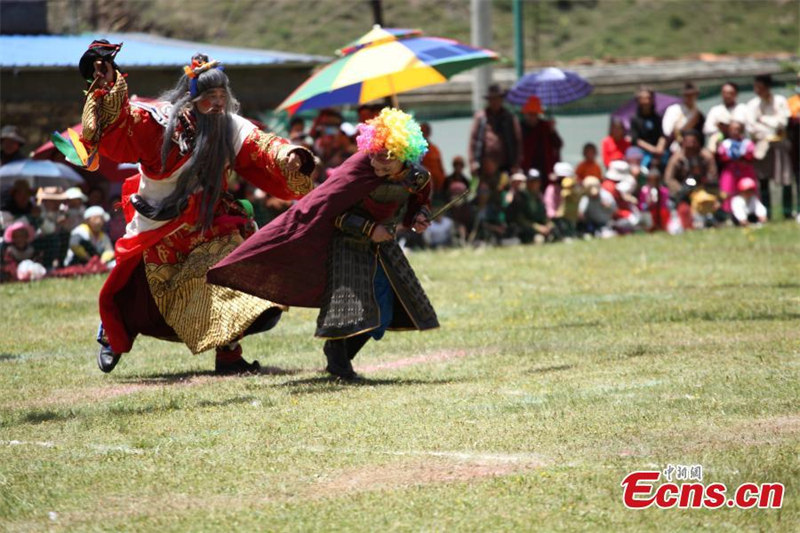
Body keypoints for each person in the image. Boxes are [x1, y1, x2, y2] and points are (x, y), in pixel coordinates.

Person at [81, 46, 316, 374]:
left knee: (236, 276)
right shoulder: (163, 123)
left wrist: (290, 156)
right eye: (209, 96)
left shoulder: (230, 126)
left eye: (222, 95)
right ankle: (113, 331)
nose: (218, 102)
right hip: (161, 224)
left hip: (210, 222)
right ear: (192, 99)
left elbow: (261, 146)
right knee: (134, 290)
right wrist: (109, 86)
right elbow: (125, 126)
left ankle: (229, 356)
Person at [208, 108, 438, 381]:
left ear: (405, 155)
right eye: (375, 153)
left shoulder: (417, 176)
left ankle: (339, 355)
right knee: (349, 311)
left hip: (383, 248)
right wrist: (368, 228)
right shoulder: (359, 166)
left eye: (387, 156)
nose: (378, 162)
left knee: (384, 312)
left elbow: (418, 202)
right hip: (346, 245)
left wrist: (420, 216)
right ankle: (340, 365)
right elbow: (328, 210)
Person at [746, 73, 793, 219]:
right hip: (761, 145)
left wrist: (763, 120)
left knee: (785, 178)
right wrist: (770, 126)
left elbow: (782, 122)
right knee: (763, 179)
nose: (757, 90)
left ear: (767, 87)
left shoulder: (779, 101)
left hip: (779, 144)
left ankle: (787, 212)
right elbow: (751, 127)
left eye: (760, 87)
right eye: (755, 87)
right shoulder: (752, 104)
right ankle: (766, 212)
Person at [469, 84, 522, 188]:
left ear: (501, 99)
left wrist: (516, 164)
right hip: (484, 167)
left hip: (505, 167)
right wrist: (472, 162)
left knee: (503, 192)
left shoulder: (509, 117)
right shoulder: (481, 117)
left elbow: (517, 142)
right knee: (484, 193)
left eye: (497, 98)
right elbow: (473, 141)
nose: (494, 102)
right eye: (492, 99)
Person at [717, 121, 756, 214]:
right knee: (728, 191)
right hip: (730, 171)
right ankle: (728, 213)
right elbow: (722, 155)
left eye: (737, 129)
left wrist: (742, 156)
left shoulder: (747, 143)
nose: (735, 132)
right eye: (732, 129)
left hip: (745, 170)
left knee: (747, 189)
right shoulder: (725, 143)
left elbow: (750, 154)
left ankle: (750, 212)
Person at [519, 96, 562, 179]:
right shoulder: (520, 128)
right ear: (526, 114)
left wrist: (553, 131)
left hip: (545, 167)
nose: (532, 117)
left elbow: (558, 144)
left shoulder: (545, 126)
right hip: (526, 167)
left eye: (534, 114)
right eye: (530, 114)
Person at [507, 170, 552, 244]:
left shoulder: (538, 196)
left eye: (536, 181)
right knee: (538, 239)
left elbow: (543, 215)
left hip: (539, 227)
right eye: (532, 181)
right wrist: (538, 228)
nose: (534, 184)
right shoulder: (520, 197)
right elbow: (520, 220)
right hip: (525, 230)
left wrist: (548, 224)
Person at [662, 82, 706, 154]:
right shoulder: (673, 110)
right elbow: (667, 132)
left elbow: (702, 135)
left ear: (696, 95)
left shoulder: (699, 114)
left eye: (692, 95)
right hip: (675, 147)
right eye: (686, 95)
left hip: (695, 149)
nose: (689, 97)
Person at [703, 81, 747, 153]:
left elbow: (749, 127)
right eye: (725, 93)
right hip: (721, 141)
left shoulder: (743, 108)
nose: (727, 96)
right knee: (713, 140)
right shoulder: (715, 110)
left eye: (730, 93)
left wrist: (733, 128)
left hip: (740, 142)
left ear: (736, 94)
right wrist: (721, 129)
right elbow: (707, 128)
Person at [629, 87, 667, 170]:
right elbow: (636, 140)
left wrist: (660, 148)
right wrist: (653, 150)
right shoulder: (635, 119)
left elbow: (662, 135)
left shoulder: (657, 117)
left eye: (648, 98)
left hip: (658, 150)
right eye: (643, 98)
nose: (646, 101)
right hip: (642, 151)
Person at [638, 167, 670, 232]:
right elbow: (640, 205)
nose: (653, 182)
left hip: (661, 213)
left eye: (656, 180)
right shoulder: (644, 191)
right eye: (651, 180)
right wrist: (648, 203)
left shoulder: (664, 191)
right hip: (649, 213)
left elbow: (665, 204)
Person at [420, 122, 446, 197]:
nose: (424, 133)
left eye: (426, 131)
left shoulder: (435, 149)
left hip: (438, 188)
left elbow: (441, 168)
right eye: (422, 131)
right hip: (424, 188)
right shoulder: (416, 150)